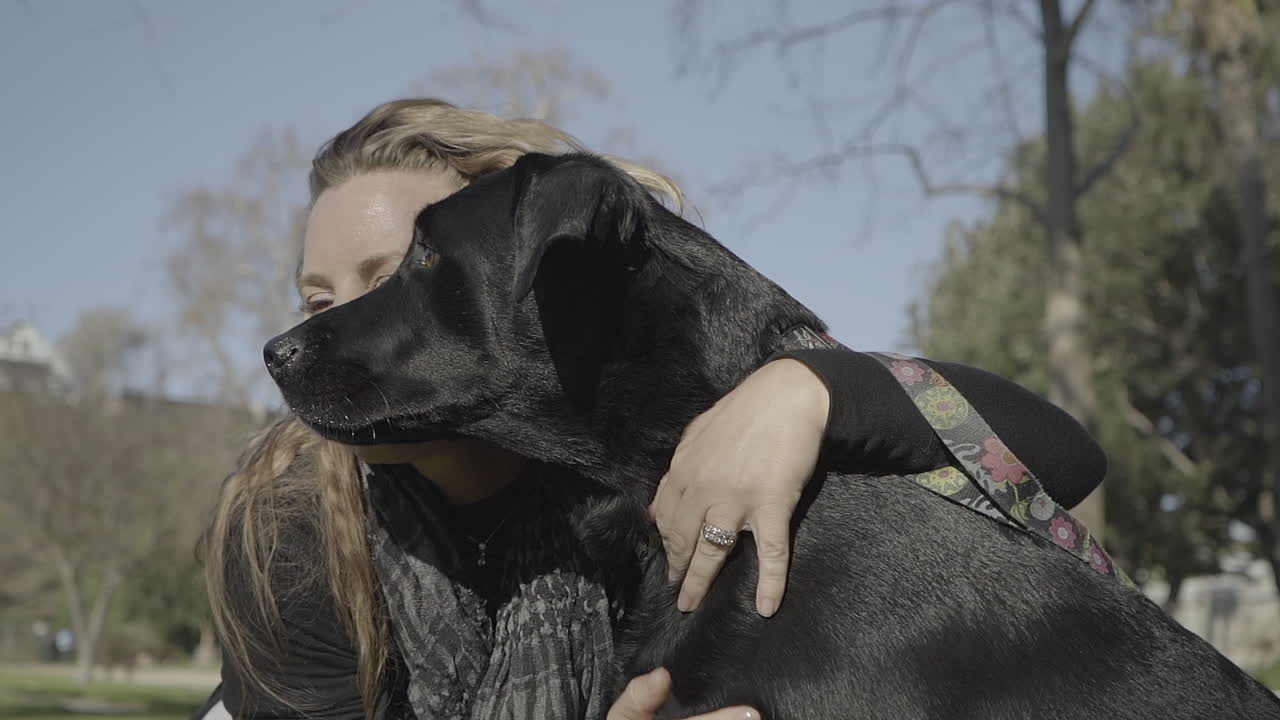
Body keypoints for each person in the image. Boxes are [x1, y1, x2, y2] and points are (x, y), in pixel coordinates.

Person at [199, 98, 1107, 720]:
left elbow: (1060, 461)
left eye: (399, 276)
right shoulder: (295, 530)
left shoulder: (642, 480)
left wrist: (813, 386)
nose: (304, 338)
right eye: (320, 302)